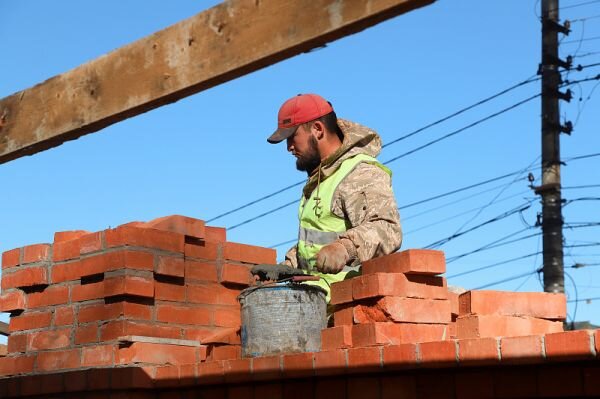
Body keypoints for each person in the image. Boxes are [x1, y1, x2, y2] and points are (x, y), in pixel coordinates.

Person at [267, 93, 402, 292]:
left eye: (292, 137)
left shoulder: (359, 173)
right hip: (317, 304)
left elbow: (387, 228)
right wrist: (287, 267)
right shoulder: (321, 179)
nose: (289, 147)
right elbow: (315, 242)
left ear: (317, 129)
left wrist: (344, 248)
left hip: (348, 308)